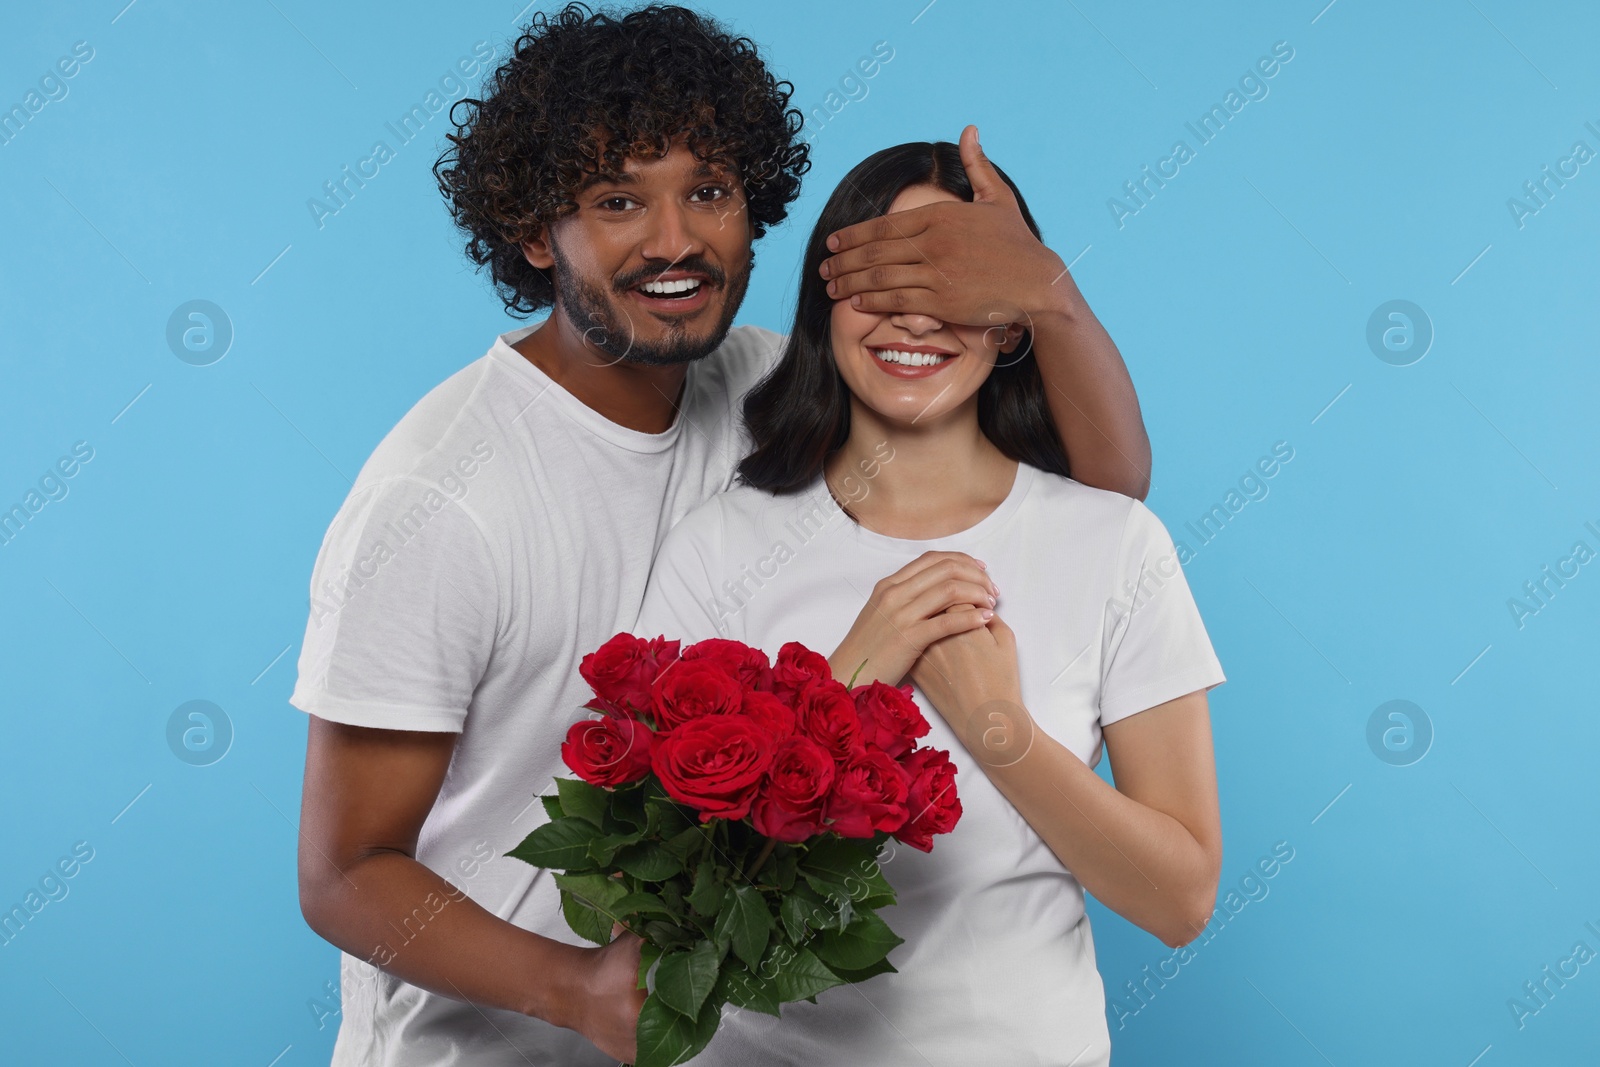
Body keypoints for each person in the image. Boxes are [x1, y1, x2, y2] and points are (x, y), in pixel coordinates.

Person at [288, 5, 1152, 1065]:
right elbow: (343, 871)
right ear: (531, 230)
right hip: (491, 1046)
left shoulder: (757, 385)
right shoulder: (440, 499)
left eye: (708, 191)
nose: (674, 240)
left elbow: (1096, 492)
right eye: (616, 200)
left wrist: (1041, 292)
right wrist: (579, 989)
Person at [633, 140, 1226, 1067]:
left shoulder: (1115, 545)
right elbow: (663, 904)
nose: (916, 312)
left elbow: (1179, 899)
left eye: (952, 279)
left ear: (1009, 324)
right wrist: (850, 675)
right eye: (884, 273)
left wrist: (998, 726)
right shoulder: (722, 546)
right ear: (825, 304)